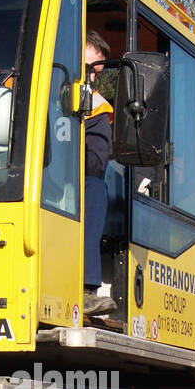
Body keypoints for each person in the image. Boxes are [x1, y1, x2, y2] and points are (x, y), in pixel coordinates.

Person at [82, 30, 115, 317]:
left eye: (96, 73)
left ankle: (85, 287)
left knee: (94, 187)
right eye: (87, 68)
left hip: (59, 182)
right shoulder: (12, 86)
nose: (91, 78)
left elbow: (94, 163)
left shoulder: (96, 108)